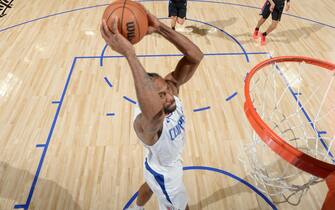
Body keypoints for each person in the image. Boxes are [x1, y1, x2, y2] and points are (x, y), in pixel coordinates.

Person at [100, 11, 203, 210]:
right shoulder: (145, 125)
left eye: (167, 90)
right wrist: (129, 54)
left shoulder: (169, 92)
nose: (170, 96)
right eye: (162, 96)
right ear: (150, 100)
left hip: (155, 166)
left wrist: (160, 28)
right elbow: (155, 114)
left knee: (149, 185)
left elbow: (195, 57)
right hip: (166, 175)